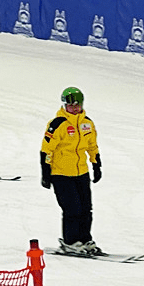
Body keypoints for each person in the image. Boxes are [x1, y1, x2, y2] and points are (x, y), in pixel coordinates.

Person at [40, 87, 103, 255]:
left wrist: (96, 165)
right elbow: (47, 149)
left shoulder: (87, 123)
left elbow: (92, 146)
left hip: (81, 172)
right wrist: (46, 173)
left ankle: (84, 240)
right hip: (61, 174)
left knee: (86, 209)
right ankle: (70, 242)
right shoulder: (58, 124)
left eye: (78, 105)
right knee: (72, 209)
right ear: (64, 106)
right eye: (71, 105)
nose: (75, 108)